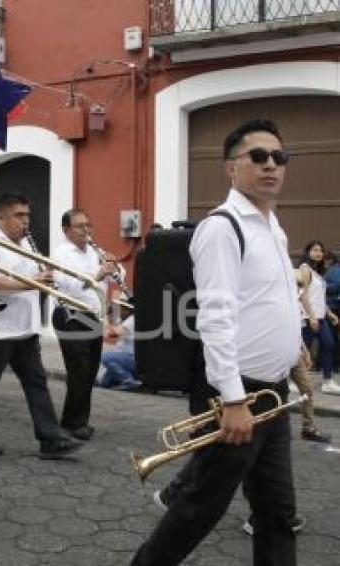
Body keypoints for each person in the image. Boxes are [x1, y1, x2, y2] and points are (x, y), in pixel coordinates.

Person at [132, 118, 300, 566]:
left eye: (279, 158)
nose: (271, 166)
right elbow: (215, 319)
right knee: (198, 508)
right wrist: (232, 401)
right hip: (238, 393)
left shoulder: (273, 227)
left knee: (278, 514)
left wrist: (293, 346)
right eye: (258, 157)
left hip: (273, 392)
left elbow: (269, 300)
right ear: (231, 168)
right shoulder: (223, 228)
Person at [0, 193, 82, 459]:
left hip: (25, 326)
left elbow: (32, 275)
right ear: (1, 217)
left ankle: (50, 438)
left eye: (27, 215)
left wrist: (45, 276)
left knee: (36, 381)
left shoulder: (26, 242)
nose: (25, 221)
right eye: (19, 215)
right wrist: (33, 282)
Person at [51, 209, 117, 440]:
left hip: (92, 317)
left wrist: (112, 268)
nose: (86, 230)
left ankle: (80, 420)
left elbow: (107, 280)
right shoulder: (61, 254)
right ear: (66, 230)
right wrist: (98, 274)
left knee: (89, 372)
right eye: (79, 226)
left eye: (88, 225)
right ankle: (70, 423)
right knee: (78, 371)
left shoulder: (92, 251)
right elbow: (67, 285)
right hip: (71, 316)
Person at [297, 240, 340, 394]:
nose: (319, 253)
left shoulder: (318, 273)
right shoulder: (305, 269)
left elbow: (319, 298)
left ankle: (327, 381)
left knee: (328, 345)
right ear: (308, 252)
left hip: (320, 317)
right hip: (309, 318)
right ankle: (293, 381)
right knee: (302, 349)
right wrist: (312, 316)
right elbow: (303, 295)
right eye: (315, 250)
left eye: (321, 251)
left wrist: (329, 313)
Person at [99, 307, 140, 390]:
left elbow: (111, 335)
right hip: (131, 360)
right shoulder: (133, 319)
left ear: (126, 309)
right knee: (104, 383)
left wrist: (104, 322)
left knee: (105, 357)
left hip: (132, 359)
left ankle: (128, 381)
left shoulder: (132, 319)